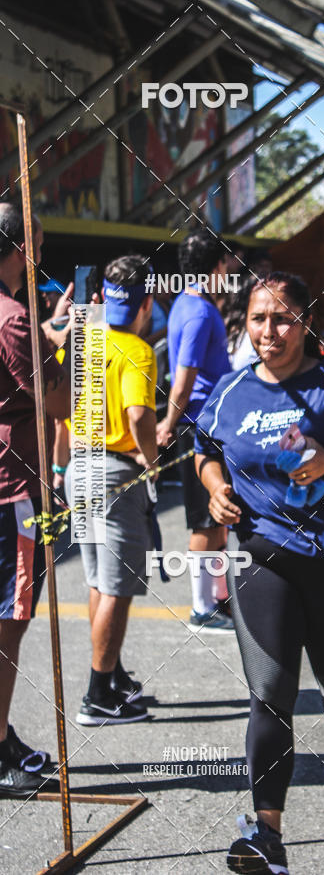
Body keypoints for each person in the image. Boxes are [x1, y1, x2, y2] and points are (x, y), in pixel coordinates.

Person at [193, 272, 324, 874]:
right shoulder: (233, 390)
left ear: (307, 324)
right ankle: (267, 836)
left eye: (283, 318)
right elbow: (205, 450)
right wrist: (216, 490)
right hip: (261, 558)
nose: (270, 331)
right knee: (270, 694)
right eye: (260, 318)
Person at [66, 255, 157, 726]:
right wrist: (153, 459)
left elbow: (60, 406)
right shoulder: (139, 351)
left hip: (77, 467)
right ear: (146, 304)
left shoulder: (83, 339)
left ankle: (112, 673)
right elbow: (140, 417)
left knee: (99, 580)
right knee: (117, 588)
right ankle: (98, 693)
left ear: (103, 296)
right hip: (115, 472)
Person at [0, 202, 69, 796]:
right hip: (13, 486)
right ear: (20, 248)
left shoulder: (20, 316)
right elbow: (56, 399)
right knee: (10, 619)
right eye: (37, 245)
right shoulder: (13, 317)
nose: (41, 255)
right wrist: (69, 350)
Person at [156, 228, 232, 630]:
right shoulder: (201, 312)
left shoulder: (186, 303)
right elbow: (183, 378)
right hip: (197, 426)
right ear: (216, 267)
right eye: (226, 266)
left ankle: (218, 598)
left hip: (203, 422)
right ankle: (202, 608)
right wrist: (168, 423)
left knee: (217, 516)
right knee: (205, 519)